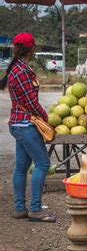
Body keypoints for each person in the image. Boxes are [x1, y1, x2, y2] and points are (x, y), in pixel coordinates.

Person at [1, 33, 55, 222]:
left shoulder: (15, 68)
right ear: (31, 49)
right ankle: (35, 209)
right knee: (43, 164)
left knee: (22, 167)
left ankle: (19, 208)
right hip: (25, 124)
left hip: (18, 123)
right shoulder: (22, 71)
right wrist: (45, 117)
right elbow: (32, 103)